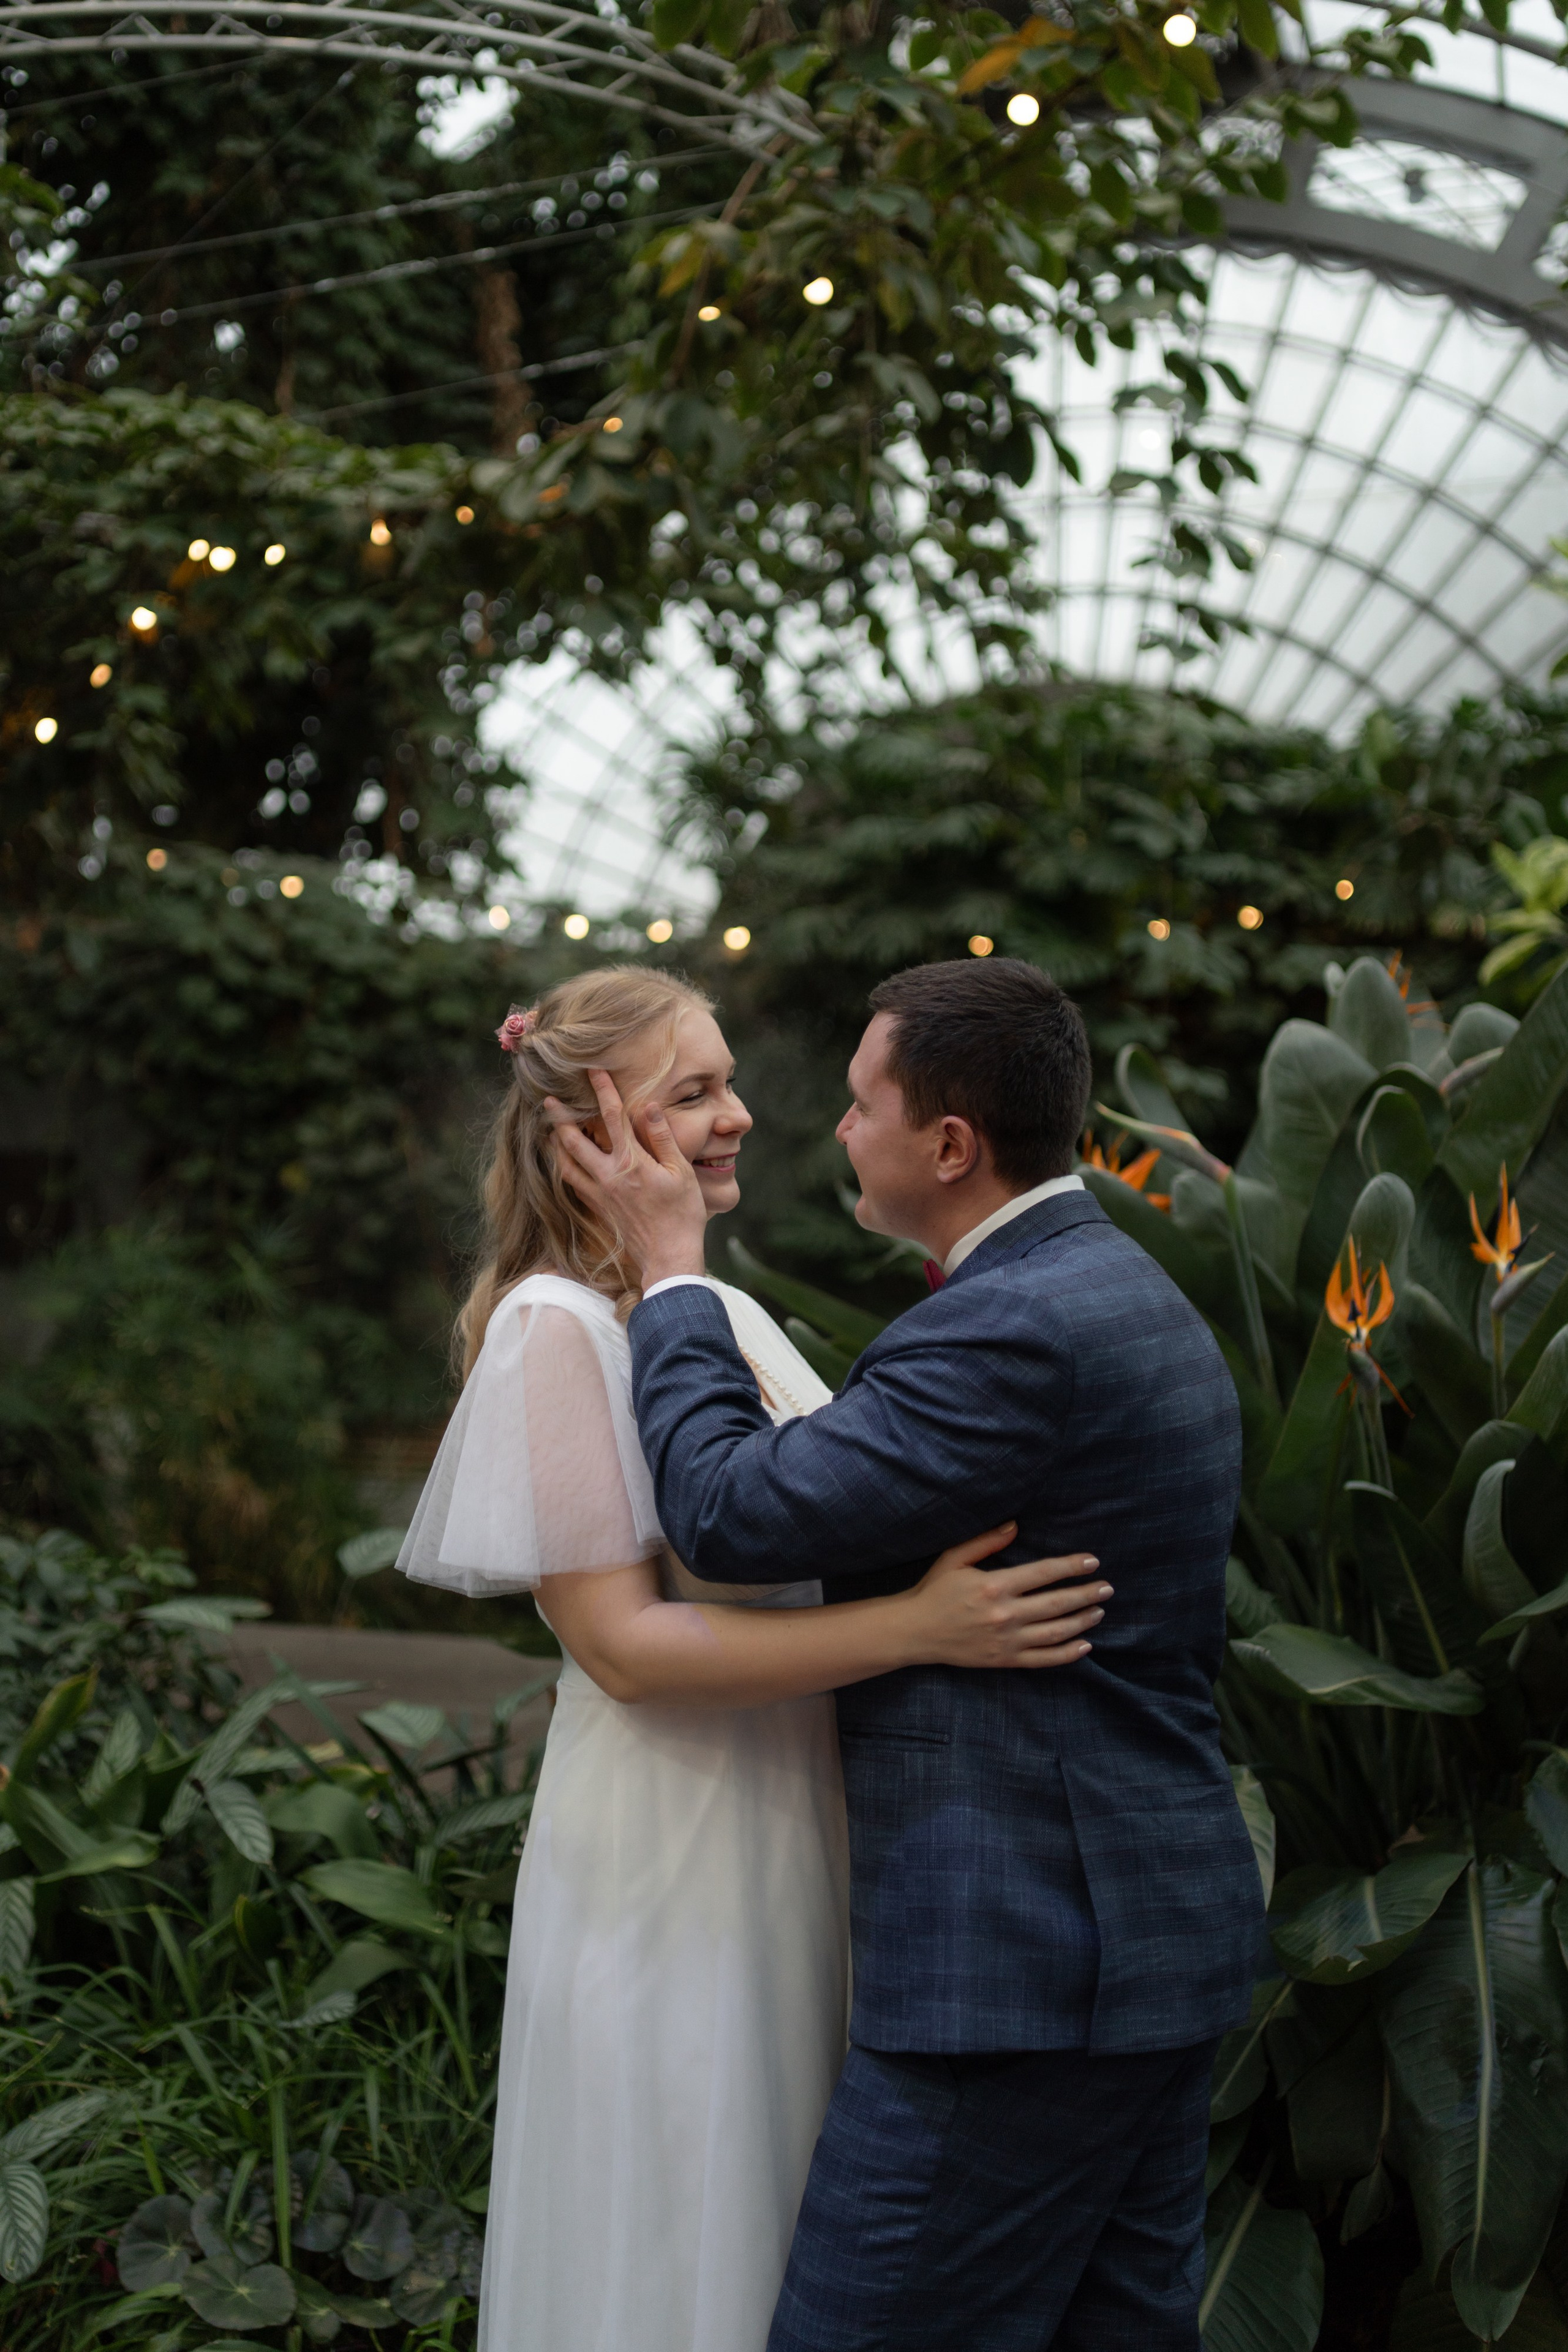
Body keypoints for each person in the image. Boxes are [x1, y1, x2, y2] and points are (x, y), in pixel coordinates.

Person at [551, 954, 1265, 2352]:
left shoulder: (1012, 1330)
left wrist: (670, 1278)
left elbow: (729, 1508)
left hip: (1019, 1980)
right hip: (1139, 1950)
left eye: (858, 1103)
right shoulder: (1113, 1287)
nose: (827, 1127)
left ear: (948, 1144)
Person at [395, 967, 1112, 2352]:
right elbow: (617, 1644)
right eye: (691, 1093)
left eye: (725, 1081)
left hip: (784, 1827)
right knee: (681, 2231)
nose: (737, 1116)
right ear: (585, 1135)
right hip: (672, 1851)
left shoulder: (706, 1313)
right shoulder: (556, 1331)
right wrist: (919, 1629)